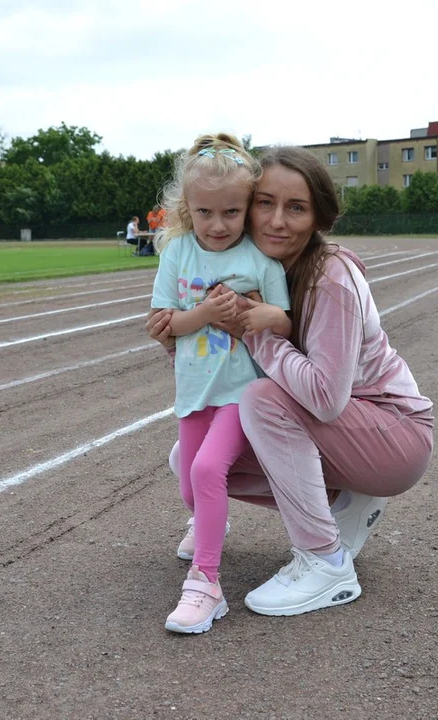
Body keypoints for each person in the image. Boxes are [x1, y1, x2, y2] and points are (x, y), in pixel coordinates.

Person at [147, 145, 434, 620]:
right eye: (266, 203)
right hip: (349, 435)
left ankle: (326, 562)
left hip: (394, 435)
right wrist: (177, 337)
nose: (277, 220)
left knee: (261, 400)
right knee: (188, 460)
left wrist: (255, 334)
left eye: (296, 207)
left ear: (319, 218)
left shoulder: (330, 280)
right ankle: (344, 500)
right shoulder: (269, 268)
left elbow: (323, 397)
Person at [150, 134, 292, 634]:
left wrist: (257, 311)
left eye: (231, 212)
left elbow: (285, 324)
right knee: (191, 484)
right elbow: (165, 323)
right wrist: (206, 313)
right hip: (193, 392)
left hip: (241, 392)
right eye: (205, 212)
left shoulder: (260, 261)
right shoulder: (177, 255)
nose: (218, 224)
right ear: (187, 209)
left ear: (247, 207)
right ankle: (209, 523)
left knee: (210, 470)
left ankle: (206, 583)